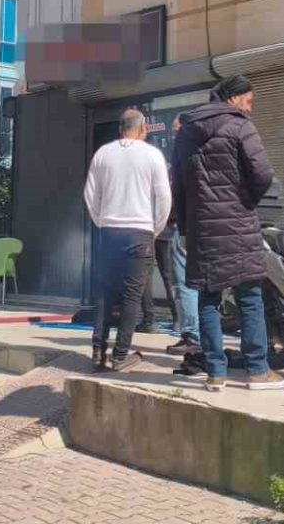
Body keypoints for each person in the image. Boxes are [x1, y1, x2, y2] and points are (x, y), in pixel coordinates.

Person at [173, 75, 284, 392]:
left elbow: (178, 185)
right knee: (250, 297)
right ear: (233, 98)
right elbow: (262, 173)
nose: (249, 109)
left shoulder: (186, 132)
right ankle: (257, 371)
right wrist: (247, 200)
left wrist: (184, 228)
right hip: (239, 225)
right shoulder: (240, 126)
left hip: (202, 229)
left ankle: (215, 372)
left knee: (208, 299)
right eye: (248, 102)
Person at [82, 108, 171, 372]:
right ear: (143, 128)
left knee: (105, 293)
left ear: (120, 128)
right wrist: (156, 228)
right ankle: (120, 355)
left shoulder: (103, 153)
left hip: (109, 231)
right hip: (140, 231)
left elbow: (90, 194)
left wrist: (101, 221)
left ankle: (98, 351)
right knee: (132, 295)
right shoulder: (152, 155)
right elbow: (164, 197)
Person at [161, 115, 201, 356]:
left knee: (185, 282)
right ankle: (200, 335)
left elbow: (178, 194)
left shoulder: (184, 157)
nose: (172, 135)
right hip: (206, 227)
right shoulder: (205, 152)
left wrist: (169, 218)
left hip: (185, 227)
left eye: (176, 131)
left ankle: (192, 336)